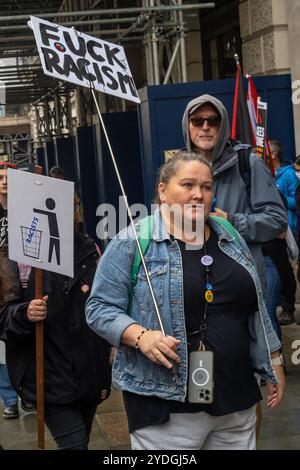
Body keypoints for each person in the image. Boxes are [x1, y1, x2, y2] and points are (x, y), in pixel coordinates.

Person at [86, 151, 285, 451]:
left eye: (206, 187)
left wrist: (274, 360)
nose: (198, 194)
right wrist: (141, 336)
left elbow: (254, 307)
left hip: (236, 400)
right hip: (167, 407)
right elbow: (98, 308)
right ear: (163, 191)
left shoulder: (229, 236)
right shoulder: (133, 242)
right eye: (188, 185)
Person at [0, 196, 112, 450]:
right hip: (46, 374)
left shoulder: (88, 248)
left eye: (70, 208)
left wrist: (112, 342)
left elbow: (108, 299)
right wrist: (24, 313)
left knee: (80, 440)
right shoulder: (15, 259)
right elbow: (2, 315)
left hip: (90, 372)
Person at [181, 95, 287, 289]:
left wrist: (231, 222)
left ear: (223, 126)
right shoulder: (177, 170)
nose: (205, 127)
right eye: (197, 121)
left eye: (213, 121)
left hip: (240, 279)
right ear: (187, 126)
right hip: (194, 278)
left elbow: (277, 220)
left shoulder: (249, 163)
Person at [0, 161, 20, 419]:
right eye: (0, 176)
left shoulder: (25, 208)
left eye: (8, 176)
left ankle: (26, 390)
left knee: (20, 333)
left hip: (22, 277)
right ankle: (9, 398)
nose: (4, 181)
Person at [270, 140, 299, 235]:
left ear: (273, 155)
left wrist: (278, 198)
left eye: (266, 151)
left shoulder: (289, 174)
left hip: (288, 228)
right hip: (269, 225)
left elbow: (297, 202)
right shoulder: (264, 171)